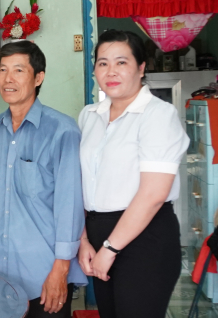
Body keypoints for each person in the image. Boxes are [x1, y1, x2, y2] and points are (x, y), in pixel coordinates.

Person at [77, 30, 188, 318]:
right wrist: (84, 239)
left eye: (121, 62)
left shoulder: (158, 116)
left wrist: (110, 248)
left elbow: (153, 194)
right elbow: (81, 183)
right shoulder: (89, 115)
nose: (110, 71)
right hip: (98, 232)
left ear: (141, 68)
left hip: (145, 238)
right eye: (102, 63)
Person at [0, 41, 86, 318]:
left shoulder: (62, 131)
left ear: (38, 77)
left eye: (18, 70)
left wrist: (61, 269)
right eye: (3, 70)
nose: (8, 79)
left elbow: (70, 206)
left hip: (44, 275)